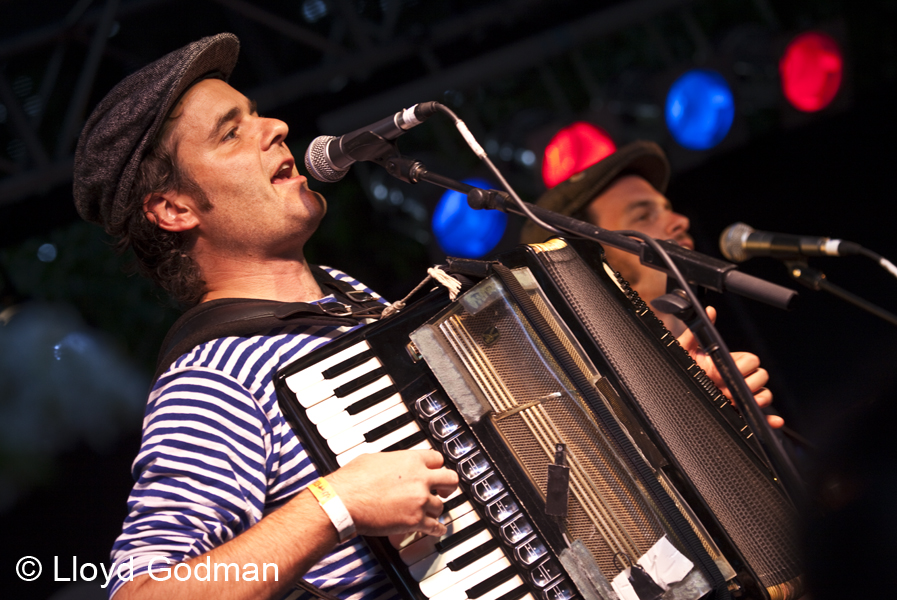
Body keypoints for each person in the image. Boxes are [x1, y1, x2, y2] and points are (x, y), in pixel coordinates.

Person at [73, 34, 780, 600]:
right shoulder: (212, 378)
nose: (276, 127)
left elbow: (543, 465)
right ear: (173, 209)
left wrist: (678, 414)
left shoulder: (352, 304)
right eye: (231, 133)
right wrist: (331, 508)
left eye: (258, 112)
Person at [519, 141, 782, 428]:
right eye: (644, 216)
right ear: (588, 258)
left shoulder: (718, 366)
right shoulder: (583, 401)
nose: (679, 221)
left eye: (668, 208)